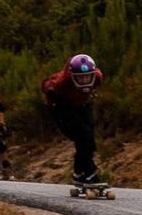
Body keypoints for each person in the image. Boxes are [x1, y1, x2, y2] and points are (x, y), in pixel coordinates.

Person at [40, 54, 106, 186]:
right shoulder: (59, 84)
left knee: (90, 139)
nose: (85, 81)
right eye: (80, 78)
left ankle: (78, 173)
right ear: (72, 76)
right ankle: (90, 173)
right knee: (82, 135)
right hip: (61, 107)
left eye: (88, 77)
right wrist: (52, 93)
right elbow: (45, 84)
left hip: (82, 104)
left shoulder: (97, 78)